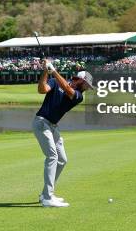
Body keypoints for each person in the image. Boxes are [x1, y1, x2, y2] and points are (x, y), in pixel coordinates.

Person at [33, 59, 93, 208]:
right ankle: (47, 197)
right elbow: (42, 89)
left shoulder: (78, 95)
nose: (87, 87)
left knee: (62, 159)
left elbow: (67, 88)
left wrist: (53, 71)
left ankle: (45, 194)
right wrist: (46, 72)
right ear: (80, 80)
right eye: (87, 84)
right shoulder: (54, 82)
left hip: (53, 127)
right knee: (52, 156)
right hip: (41, 122)